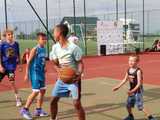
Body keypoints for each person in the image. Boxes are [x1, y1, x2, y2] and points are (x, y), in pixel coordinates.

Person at [49, 24, 85, 120]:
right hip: (62, 79)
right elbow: (55, 63)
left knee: (77, 104)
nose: (53, 34)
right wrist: (58, 69)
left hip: (73, 80)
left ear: (59, 33)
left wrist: (79, 74)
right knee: (53, 101)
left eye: (54, 32)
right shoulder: (55, 47)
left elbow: (80, 63)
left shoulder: (74, 48)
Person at [112, 55, 156, 120]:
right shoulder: (128, 70)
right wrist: (118, 87)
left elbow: (139, 84)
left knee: (140, 106)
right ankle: (130, 116)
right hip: (132, 90)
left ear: (137, 62)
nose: (131, 62)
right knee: (128, 105)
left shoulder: (138, 71)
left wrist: (132, 91)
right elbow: (125, 79)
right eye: (129, 60)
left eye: (133, 61)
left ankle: (150, 117)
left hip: (138, 90)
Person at [20, 32, 48, 120]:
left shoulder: (44, 49)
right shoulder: (35, 49)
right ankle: (24, 110)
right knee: (35, 91)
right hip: (34, 73)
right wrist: (26, 74)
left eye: (45, 39)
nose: (44, 41)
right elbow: (28, 62)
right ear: (38, 40)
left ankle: (38, 110)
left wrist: (45, 67)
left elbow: (43, 59)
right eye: (42, 39)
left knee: (43, 91)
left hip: (41, 73)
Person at [0, 29, 22, 107]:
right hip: (3, 68)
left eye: (11, 34)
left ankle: (18, 98)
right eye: (8, 35)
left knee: (12, 82)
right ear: (5, 36)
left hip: (11, 68)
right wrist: (0, 66)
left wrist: (20, 65)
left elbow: (18, 54)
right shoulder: (2, 45)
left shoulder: (16, 44)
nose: (10, 36)